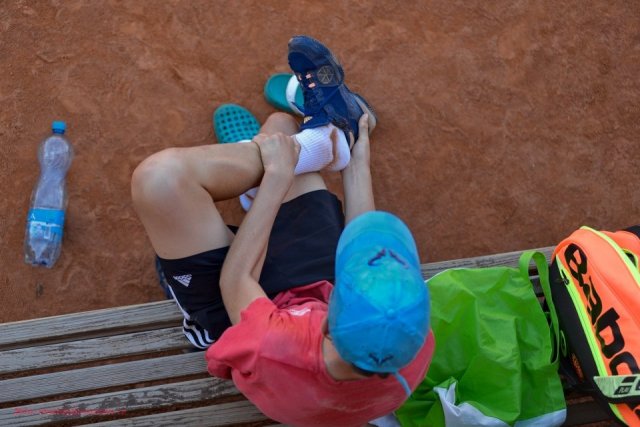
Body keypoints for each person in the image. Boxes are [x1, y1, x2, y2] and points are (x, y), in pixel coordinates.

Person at [131, 35, 434, 427]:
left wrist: (276, 177)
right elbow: (356, 249)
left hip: (238, 311)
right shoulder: (410, 344)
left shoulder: (272, 347)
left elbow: (235, 280)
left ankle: (267, 161)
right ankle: (330, 145)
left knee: (159, 181)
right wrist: (356, 163)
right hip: (311, 291)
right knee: (280, 127)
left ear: (326, 322)